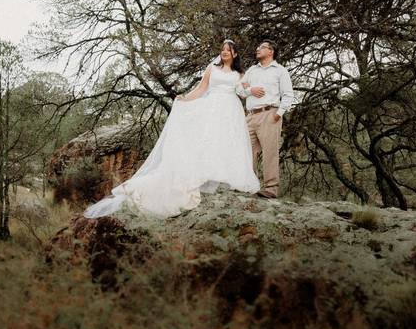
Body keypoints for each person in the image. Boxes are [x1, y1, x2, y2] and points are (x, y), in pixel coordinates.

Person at [83, 40, 261, 219]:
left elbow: (242, 92)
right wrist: (185, 99)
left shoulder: (240, 73)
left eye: (228, 50)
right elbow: (200, 89)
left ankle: (225, 178)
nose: (224, 52)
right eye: (222, 49)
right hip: (212, 107)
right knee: (207, 141)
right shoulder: (212, 68)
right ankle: (204, 177)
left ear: (234, 54)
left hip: (231, 109)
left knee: (227, 142)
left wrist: (253, 91)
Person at [236, 40, 295, 199]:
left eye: (261, 47)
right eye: (258, 46)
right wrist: (250, 90)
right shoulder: (252, 70)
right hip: (250, 115)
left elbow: (289, 95)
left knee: (270, 152)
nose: (257, 49)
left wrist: (279, 113)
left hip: (270, 114)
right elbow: (239, 89)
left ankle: (271, 188)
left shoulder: (280, 71)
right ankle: (246, 184)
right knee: (246, 151)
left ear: (271, 52)